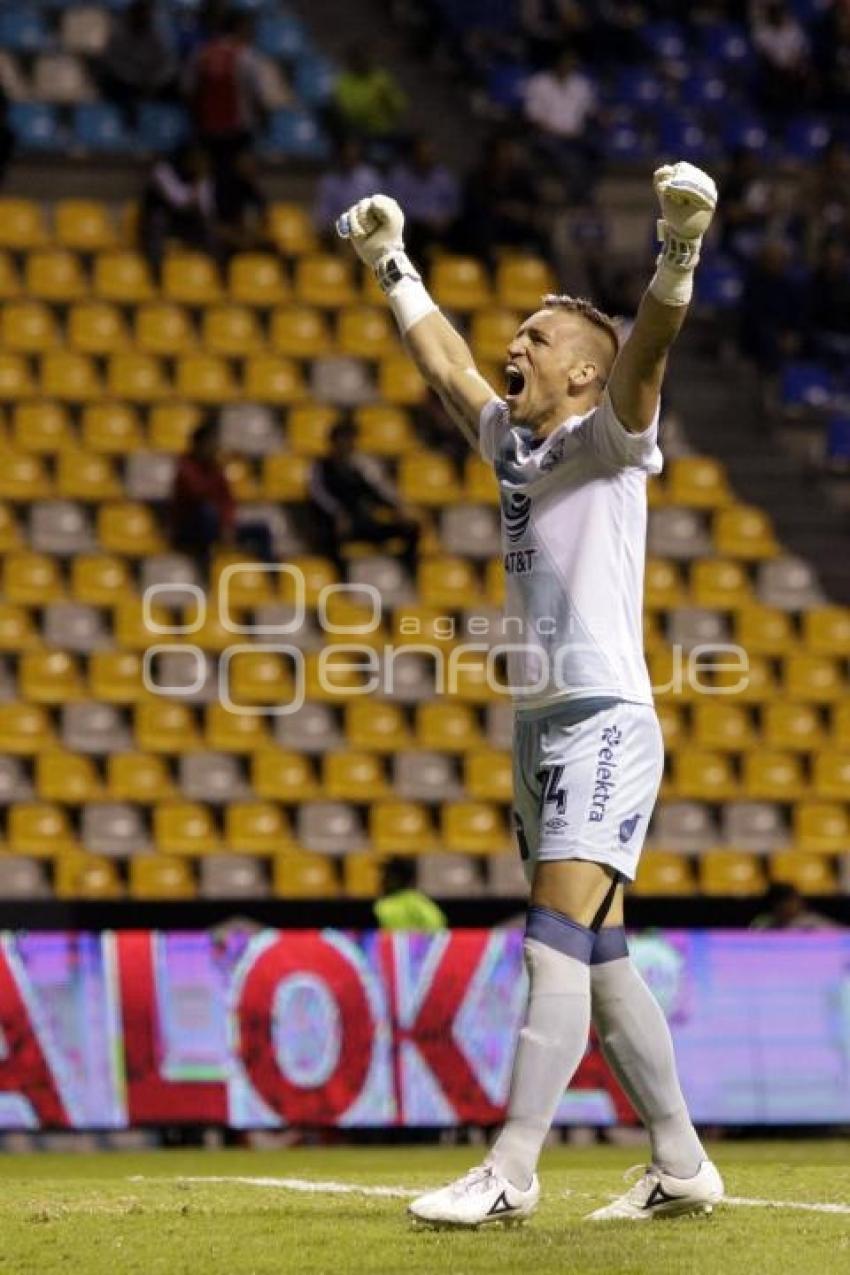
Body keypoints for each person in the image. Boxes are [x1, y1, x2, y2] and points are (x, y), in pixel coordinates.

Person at [337, 161, 724, 1226]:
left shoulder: (610, 439)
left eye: (540, 340)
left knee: (549, 940)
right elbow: (446, 364)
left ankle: (510, 1169)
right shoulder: (513, 443)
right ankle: (682, 1163)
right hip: (540, 725)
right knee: (598, 959)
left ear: (583, 379)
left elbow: (645, 351)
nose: (517, 346)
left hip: (604, 717)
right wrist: (390, 264)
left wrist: (676, 254)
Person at [308, 421, 421, 575]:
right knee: (331, 539)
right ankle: (341, 579)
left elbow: (374, 492)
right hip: (332, 524)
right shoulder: (320, 466)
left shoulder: (357, 468)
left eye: (350, 440)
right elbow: (319, 494)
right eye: (343, 440)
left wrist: (396, 508)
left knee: (410, 528)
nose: (348, 444)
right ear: (333, 441)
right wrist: (338, 513)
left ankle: (406, 571)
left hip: (359, 523)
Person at [170, 415, 272, 571]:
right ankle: (207, 570)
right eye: (211, 443)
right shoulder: (185, 467)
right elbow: (198, 494)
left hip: (217, 526)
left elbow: (227, 500)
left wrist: (227, 525)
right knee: (206, 512)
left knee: (261, 529)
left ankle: (270, 576)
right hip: (190, 529)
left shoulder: (216, 468)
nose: (214, 447)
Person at [185, 8, 265, 176]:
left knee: (213, 176)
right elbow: (256, 93)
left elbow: (188, 89)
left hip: (207, 127)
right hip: (237, 128)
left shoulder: (203, 53)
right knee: (234, 177)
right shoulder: (246, 55)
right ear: (238, 28)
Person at [138, 144, 218, 277]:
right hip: (158, 222)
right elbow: (178, 201)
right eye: (197, 160)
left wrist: (201, 181)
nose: (200, 164)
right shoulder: (163, 171)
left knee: (211, 229)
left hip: (185, 223)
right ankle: (155, 274)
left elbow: (206, 210)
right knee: (158, 220)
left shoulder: (203, 177)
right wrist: (198, 183)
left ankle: (213, 273)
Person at [98, 0, 177, 128]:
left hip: (152, 82)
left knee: (176, 85)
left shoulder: (160, 32)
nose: (143, 16)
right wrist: (135, 79)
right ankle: (129, 127)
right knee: (111, 82)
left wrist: (153, 81)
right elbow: (113, 62)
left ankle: (174, 133)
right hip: (126, 82)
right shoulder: (118, 31)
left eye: (146, 13)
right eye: (139, 13)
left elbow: (168, 64)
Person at [386, 135, 460, 262]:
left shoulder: (444, 177)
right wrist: (425, 218)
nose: (426, 157)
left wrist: (445, 218)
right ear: (414, 154)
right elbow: (396, 207)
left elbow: (454, 206)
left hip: (440, 228)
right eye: (422, 153)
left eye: (429, 153)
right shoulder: (400, 176)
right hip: (411, 229)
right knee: (417, 231)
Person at [330, 45, 408, 153]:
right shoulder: (344, 82)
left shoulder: (382, 77)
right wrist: (373, 103)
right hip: (359, 131)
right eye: (359, 60)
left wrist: (388, 99)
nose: (363, 63)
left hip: (384, 130)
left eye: (366, 59)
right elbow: (349, 111)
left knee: (411, 142)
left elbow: (400, 106)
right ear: (352, 62)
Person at [313, 138, 381, 239]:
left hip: (367, 234)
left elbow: (379, 212)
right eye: (346, 154)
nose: (349, 157)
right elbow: (323, 216)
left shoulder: (370, 178)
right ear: (339, 155)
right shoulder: (329, 181)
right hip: (337, 234)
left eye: (353, 153)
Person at [374, 858, 447, 932]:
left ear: (397, 879)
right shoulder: (381, 903)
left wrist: (413, 935)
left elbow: (437, 925)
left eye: (387, 875)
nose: (381, 879)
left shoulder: (414, 900)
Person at [751, 882, 842, 931]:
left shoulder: (814, 925)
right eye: (782, 903)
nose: (788, 906)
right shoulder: (762, 924)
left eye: (792, 901)